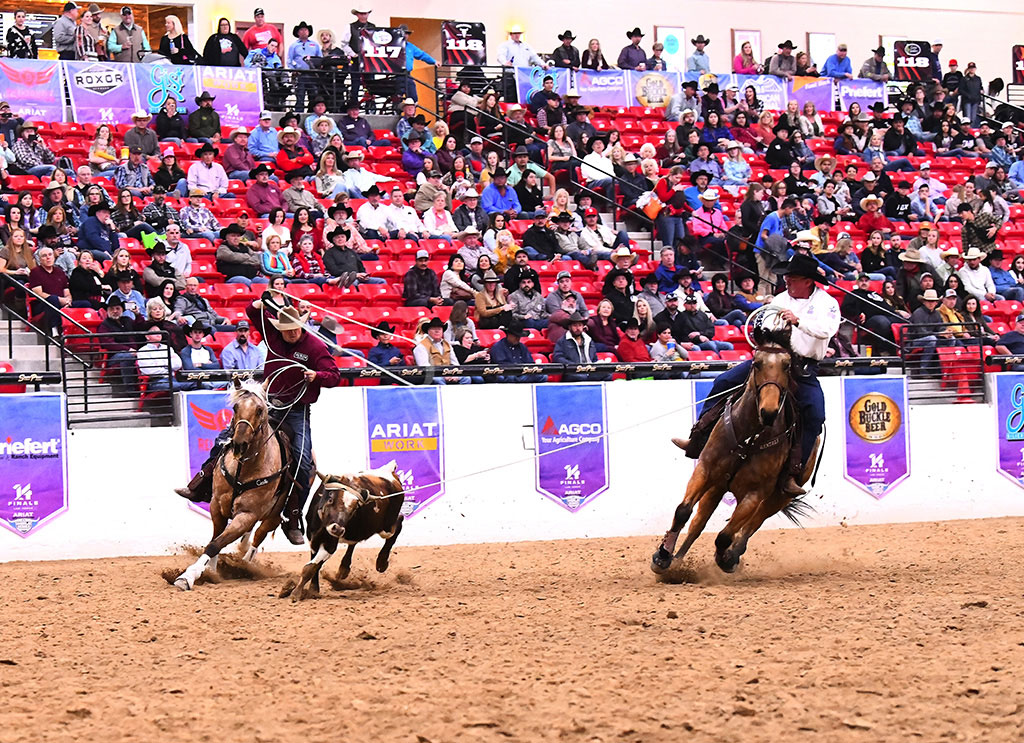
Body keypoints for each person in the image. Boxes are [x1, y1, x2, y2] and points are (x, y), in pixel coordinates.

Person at [677, 253, 840, 495]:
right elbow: (765, 328)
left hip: (801, 366)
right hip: (772, 358)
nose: (787, 282)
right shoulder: (782, 298)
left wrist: (798, 321)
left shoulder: (828, 303)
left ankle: (792, 472)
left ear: (807, 281)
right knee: (724, 381)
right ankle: (699, 436)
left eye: (792, 278)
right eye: (786, 278)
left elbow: (827, 329)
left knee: (815, 415)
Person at [412, 317, 471, 385]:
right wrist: (443, 375)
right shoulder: (421, 347)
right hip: (431, 375)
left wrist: (455, 374)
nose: (437, 331)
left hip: (448, 373)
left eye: (439, 329)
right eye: (434, 329)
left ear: (442, 331)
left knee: (466, 378)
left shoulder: (448, 345)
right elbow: (425, 367)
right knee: (438, 380)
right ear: (428, 331)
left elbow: (455, 364)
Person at [552, 312, 603, 381]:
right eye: (575, 325)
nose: (578, 328)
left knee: (607, 374)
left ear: (583, 327)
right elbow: (557, 357)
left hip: (590, 371)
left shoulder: (589, 340)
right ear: (569, 327)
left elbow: (594, 358)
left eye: (580, 325)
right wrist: (573, 366)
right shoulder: (562, 341)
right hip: (572, 372)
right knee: (581, 377)